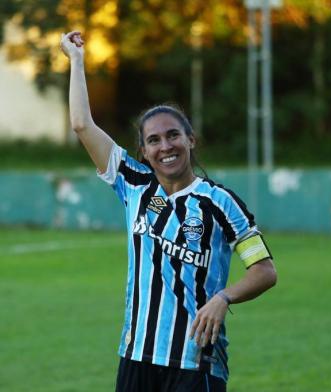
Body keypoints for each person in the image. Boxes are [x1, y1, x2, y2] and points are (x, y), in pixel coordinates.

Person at [60, 31, 277, 392]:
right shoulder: (133, 184)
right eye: (154, 140)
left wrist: (224, 298)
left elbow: (265, 271)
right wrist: (77, 60)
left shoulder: (221, 203)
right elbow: (82, 125)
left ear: (191, 140)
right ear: (143, 151)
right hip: (136, 356)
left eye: (173, 135)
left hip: (196, 362)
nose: (166, 146)